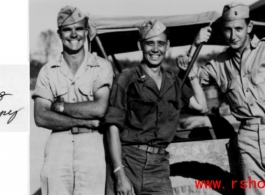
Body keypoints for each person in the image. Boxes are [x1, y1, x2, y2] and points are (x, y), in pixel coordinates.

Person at [104, 19, 207, 195]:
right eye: (149, 43)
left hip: (159, 165)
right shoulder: (125, 80)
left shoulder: (173, 81)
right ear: (140, 45)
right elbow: (112, 127)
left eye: (160, 44)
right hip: (129, 162)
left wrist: (192, 75)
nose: (155, 49)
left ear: (167, 46)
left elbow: (201, 107)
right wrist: (119, 174)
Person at [177, 2, 265, 195]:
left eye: (239, 29)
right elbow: (188, 76)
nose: (233, 36)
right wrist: (195, 44)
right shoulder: (219, 63)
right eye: (228, 30)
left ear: (249, 27)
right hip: (249, 137)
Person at [32, 6, 113, 195]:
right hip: (58, 148)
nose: (74, 34)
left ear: (86, 32)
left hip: (93, 146)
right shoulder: (48, 71)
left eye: (79, 29)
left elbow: (100, 108)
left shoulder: (100, 66)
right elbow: (41, 116)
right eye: (68, 29)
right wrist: (83, 120)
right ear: (60, 34)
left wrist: (59, 106)